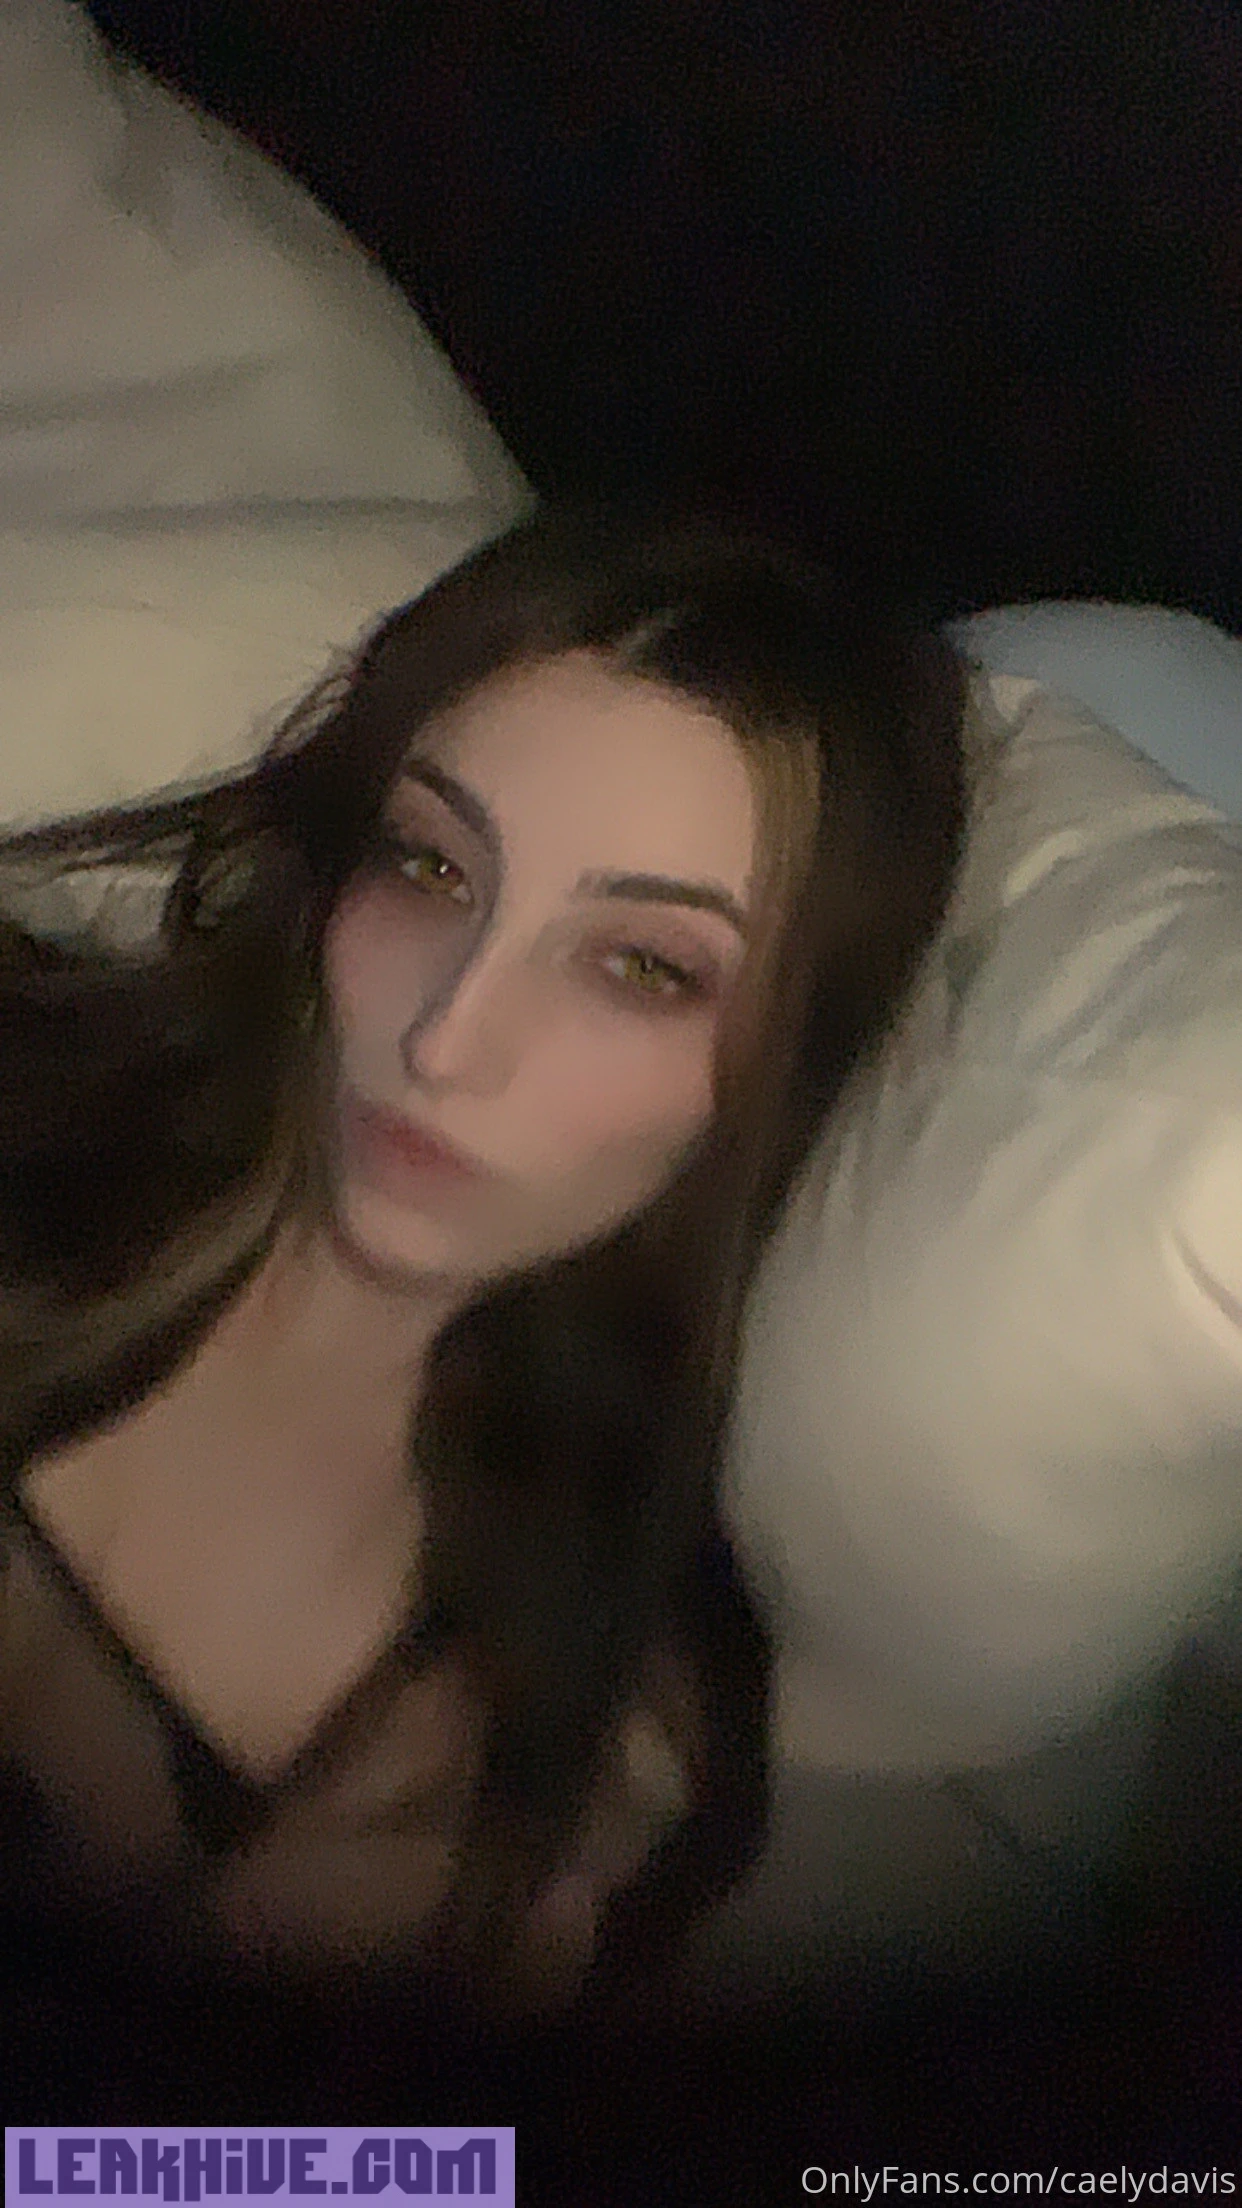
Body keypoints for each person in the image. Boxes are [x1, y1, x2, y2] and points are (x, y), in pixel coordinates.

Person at [0, 504, 975, 2039]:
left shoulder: (571, 1754)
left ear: (786, 1070)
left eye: (642, 968)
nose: (448, 1039)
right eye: (431, 869)